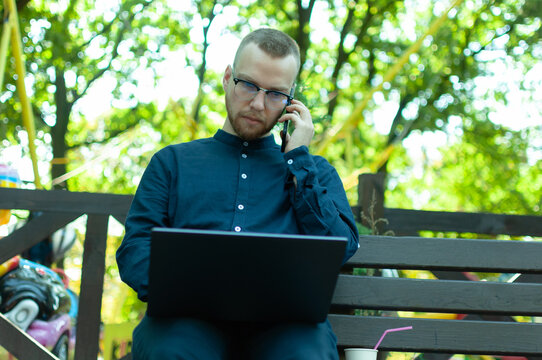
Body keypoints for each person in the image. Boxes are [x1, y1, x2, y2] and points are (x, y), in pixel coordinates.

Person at [116, 28, 359, 360]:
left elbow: (341, 246)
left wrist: (299, 162)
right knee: (172, 350)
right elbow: (136, 245)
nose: (258, 104)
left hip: (286, 328)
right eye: (248, 85)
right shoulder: (172, 163)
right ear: (228, 78)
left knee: (306, 354)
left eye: (275, 94)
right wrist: (180, 291)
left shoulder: (312, 172)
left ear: (292, 102)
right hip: (186, 322)